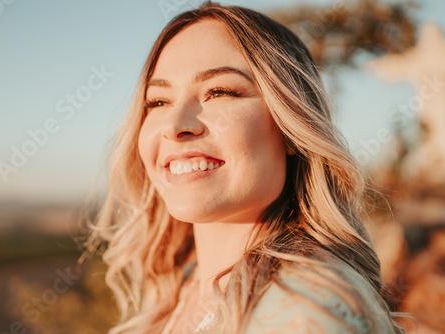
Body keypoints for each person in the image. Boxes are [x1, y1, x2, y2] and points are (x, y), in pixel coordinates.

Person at [92, 2, 406, 333]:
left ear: (291, 128)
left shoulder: (309, 309)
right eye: (158, 101)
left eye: (220, 92)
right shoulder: (181, 287)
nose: (175, 125)